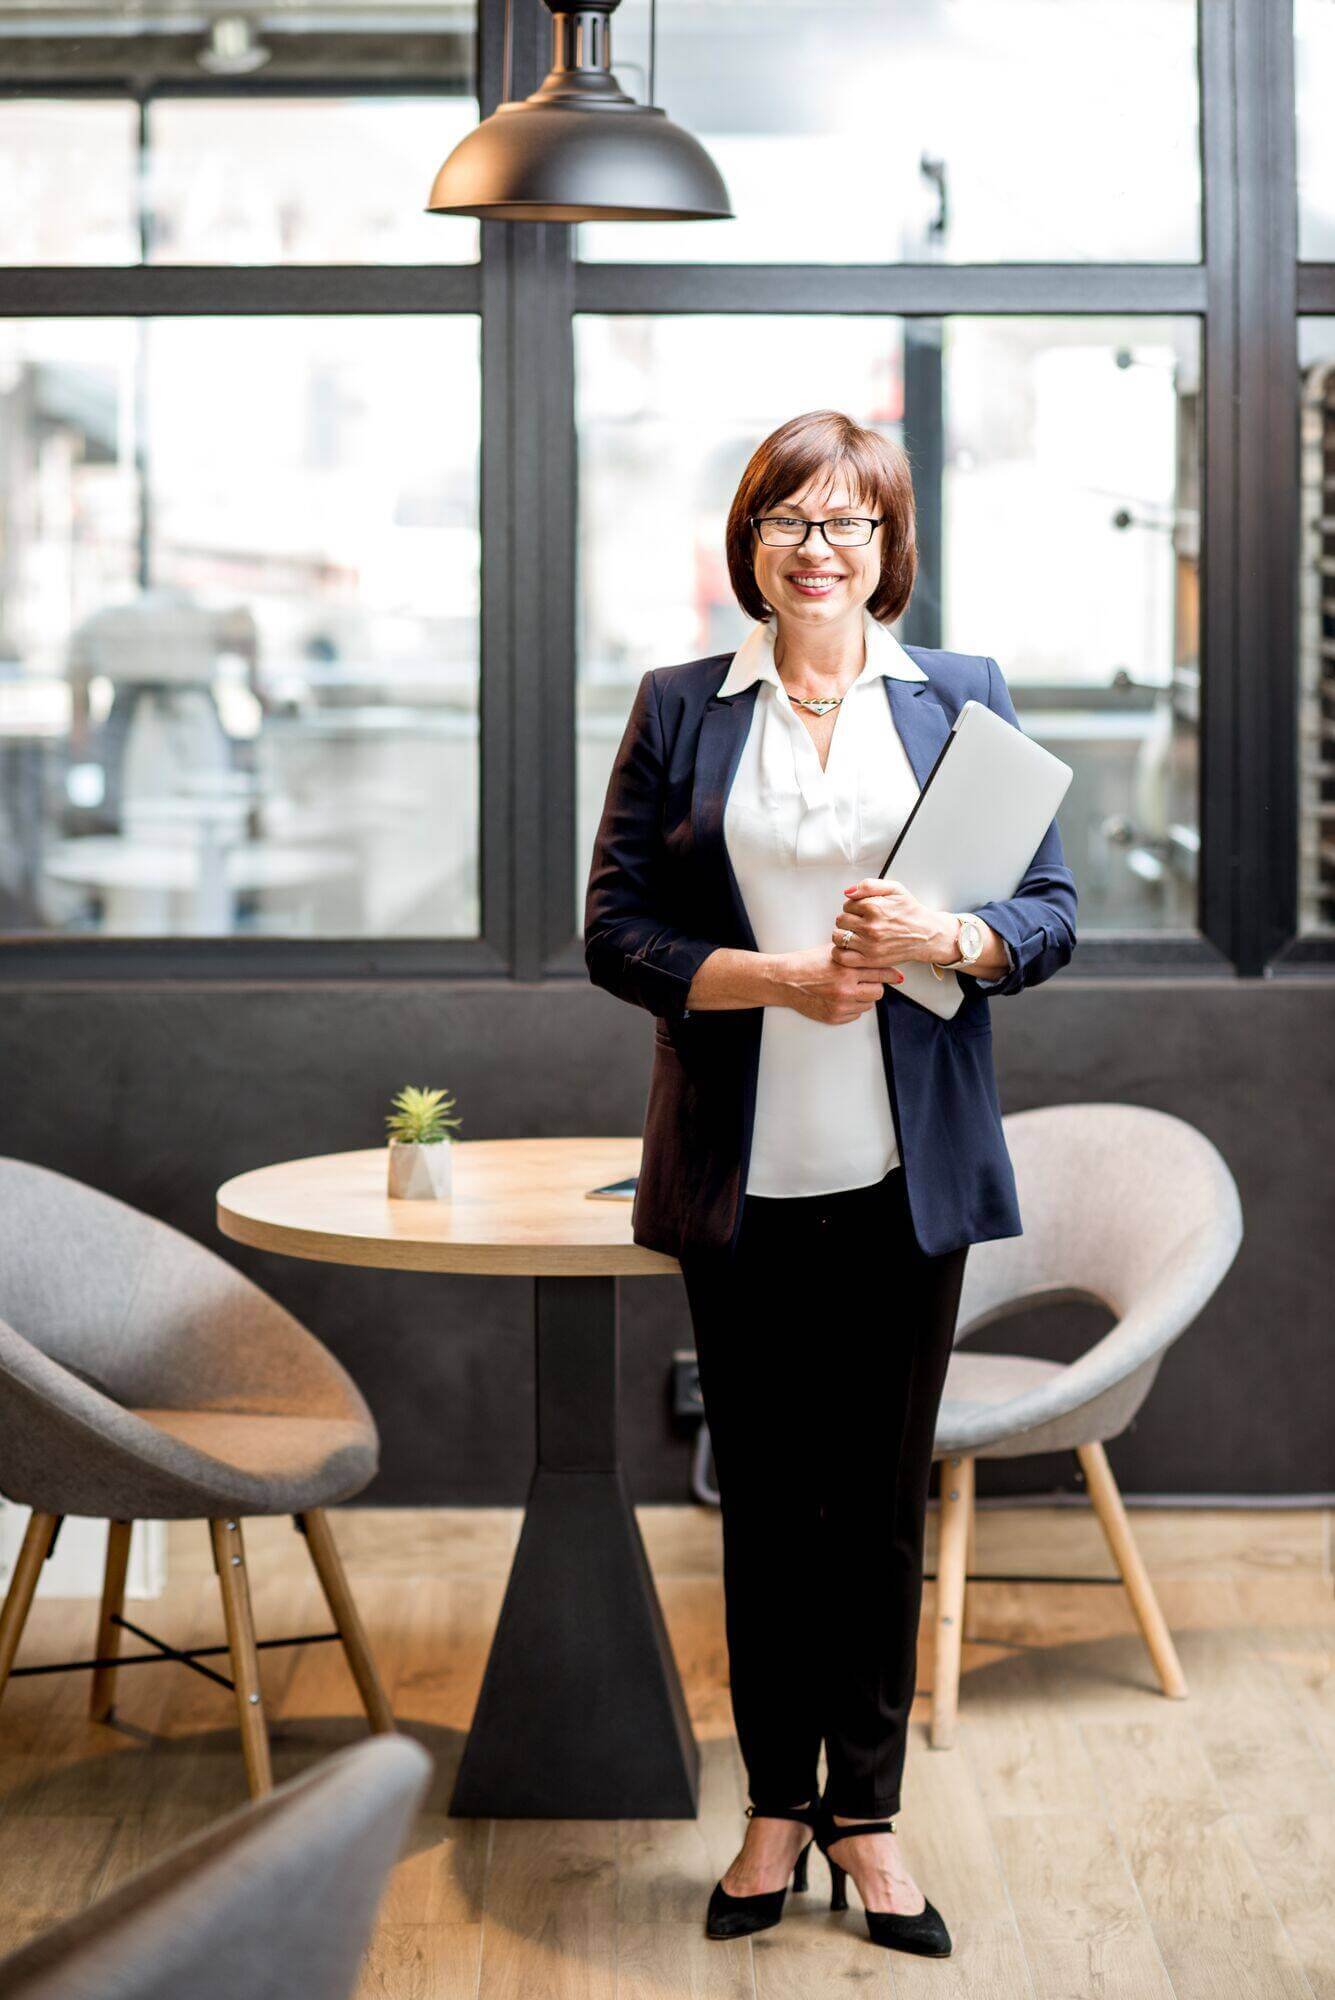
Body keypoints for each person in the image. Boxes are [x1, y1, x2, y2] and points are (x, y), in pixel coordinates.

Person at [583, 408, 1077, 1958]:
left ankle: (865, 1823)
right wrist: (775, 980)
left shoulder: (961, 701)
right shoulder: (680, 708)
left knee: (872, 1504)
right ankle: (770, 1809)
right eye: (789, 520)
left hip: (900, 1175)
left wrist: (954, 942)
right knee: (761, 1506)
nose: (818, 549)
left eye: (848, 523)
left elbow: (1053, 913)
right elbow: (615, 933)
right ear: (751, 546)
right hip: (743, 1173)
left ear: (887, 549)